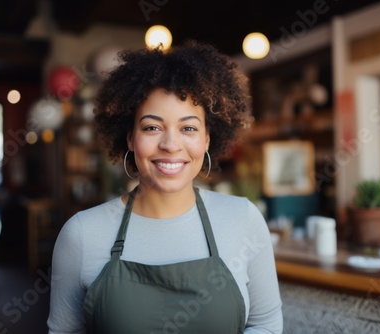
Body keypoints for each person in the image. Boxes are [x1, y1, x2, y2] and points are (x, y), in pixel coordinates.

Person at [47, 40, 283, 333]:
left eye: (188, 128)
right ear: (130, 138)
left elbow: (266, 324)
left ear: (207, 139)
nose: (171, 145)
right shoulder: (82, 234)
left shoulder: (244, 220)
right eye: (152, 127)